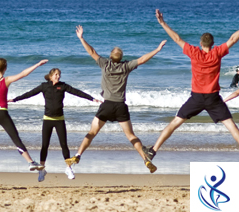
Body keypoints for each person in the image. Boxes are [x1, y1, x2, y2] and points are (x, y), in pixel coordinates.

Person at [146, 9, 239, 162]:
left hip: (196, 97)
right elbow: (233, 39)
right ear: (213, 44)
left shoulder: (194, 52)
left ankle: (153, 150)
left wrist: (162, 23)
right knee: (230, 125)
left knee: (175, 123)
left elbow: (176, 38)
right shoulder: (217, 53)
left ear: (201, 44)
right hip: (213, 98)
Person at [65, 25, 166, 175]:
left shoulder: (105, 64)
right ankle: (146, 159)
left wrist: (81, 38)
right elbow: (142, 59)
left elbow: (91, 52)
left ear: (110, 56)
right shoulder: (126, 66)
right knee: (131, 136)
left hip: (106, 106)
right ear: (121, 57)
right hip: (120, 107)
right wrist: (157, 49)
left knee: (92, 132)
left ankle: (78, 155)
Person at [9, 68, 102, 181]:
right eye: (56, 74)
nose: (58, 76)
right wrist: (14, 100)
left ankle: (68, 168)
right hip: (47, 119)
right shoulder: (44, 86)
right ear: (51, 76)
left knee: (64, 145)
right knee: (45, 145)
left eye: (59, 74)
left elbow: (77, 92)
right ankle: (42, 170)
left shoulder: (63, 86)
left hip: (59, 120)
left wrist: (92, 99)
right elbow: (30, 94)